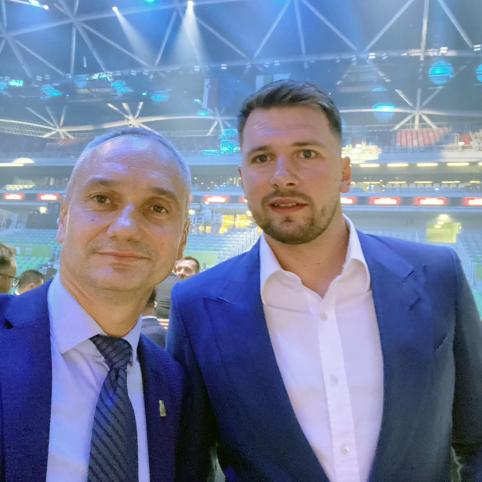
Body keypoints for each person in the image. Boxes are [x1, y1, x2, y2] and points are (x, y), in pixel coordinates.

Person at [167, 80, 482, 481]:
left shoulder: (437, 276)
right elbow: (189, 464)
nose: (283, 177)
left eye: (306, 153)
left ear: (344, 173)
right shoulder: (197, 305)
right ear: (243, 178)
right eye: (262, 158)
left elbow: (476, 438)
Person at [0, 127, 192, 482]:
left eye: (157, 208)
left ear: (182, 239)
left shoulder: (174, 385)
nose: (126, 228)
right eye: (102, 199)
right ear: (63, 219)